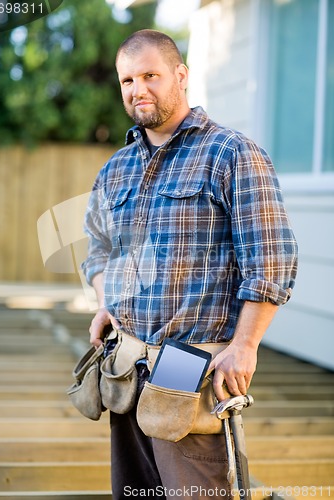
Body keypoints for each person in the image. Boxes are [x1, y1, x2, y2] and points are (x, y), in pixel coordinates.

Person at [82, 29, 298, 499]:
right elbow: (99, 250)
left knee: (193, 489)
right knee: (134, 491)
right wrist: (106, 305)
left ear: (180, 75)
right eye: (127, 80)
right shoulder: (116, 168)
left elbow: (272, 258)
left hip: (187, 364)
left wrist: (245, 345)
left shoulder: (230, 154)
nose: (138, 89)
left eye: (150, 75)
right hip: (125, 358)